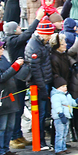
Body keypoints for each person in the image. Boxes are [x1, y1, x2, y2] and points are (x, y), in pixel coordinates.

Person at [4, 11, 41, 149]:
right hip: (16, 82)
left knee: (19, 109)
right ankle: (14, 137)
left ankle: (18, 135)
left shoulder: (13, 41)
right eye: (18, 27)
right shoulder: (12, 41)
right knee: (17, 109)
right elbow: (27, 33)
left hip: (20, 81)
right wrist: (37, 19)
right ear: (14, 30)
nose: (21, 29)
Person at [25, 16, 55, 147]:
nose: (50, 37)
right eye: (49, 35)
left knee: (43, 113)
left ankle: (42, 140)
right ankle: (39, 141)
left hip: (45, 81)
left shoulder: (42, 43)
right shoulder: (34, 47)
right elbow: (35, 70)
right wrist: (42, 87)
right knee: (40, 114)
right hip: (38, 85)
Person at [50, 77, 78, 155]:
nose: (65, 88)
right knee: (60, 133)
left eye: (65, 86)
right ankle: (58, 148)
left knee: (65, 133)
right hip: (60, 118)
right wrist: (60, 114)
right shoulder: (56, 96)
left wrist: (77, 102)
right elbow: (56, 106)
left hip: (67, 116)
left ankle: (63, 147)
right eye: (62, 86)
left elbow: (71, 103)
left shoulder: (67, 95)